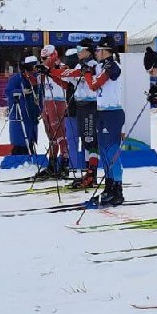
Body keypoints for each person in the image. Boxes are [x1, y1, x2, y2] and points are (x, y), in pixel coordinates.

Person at [82, 36, 125, 206]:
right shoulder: (101, 66)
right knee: (104, 152)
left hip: (112, 113)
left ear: (105, 51)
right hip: (102, 112)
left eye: (98, 50)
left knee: (112, 151)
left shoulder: (112, 65)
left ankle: (117, 188)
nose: (96, 53)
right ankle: (109, 185)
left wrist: (87, 73)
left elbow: (93, 85)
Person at [54, 39, 99, 188]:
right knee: (86, 142)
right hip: (81, 106)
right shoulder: (81, 64)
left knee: (91, 142)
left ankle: (92, 175)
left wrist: (53, 71)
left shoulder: (92, 64)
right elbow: (68, 78)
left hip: (90, 105)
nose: (78, 51)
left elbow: (74, 73)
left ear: (88, 50)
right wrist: (51, 72)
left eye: (81, 48)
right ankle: (89, 173)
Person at [33, 45, 71, 179]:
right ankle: (52, 163)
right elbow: (39, 82)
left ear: (53, 56)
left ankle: (65, 163)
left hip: (58, 101)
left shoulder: (62, 67)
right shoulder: (45, 67)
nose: (42, 60)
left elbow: (66, 84)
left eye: (45, 58)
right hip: (47, 101)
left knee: (59, 131)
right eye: (41, 58)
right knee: (50, 134)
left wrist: (49, 72)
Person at [5, 56, 41, 156]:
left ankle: (31, 152)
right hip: (19, 114)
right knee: (19, 139)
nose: (33, 72)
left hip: (32, 113)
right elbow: (8, 91)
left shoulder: (37, 78)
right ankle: (18, 156)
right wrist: (21, 92)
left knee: (30, 137)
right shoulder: (17, 78)